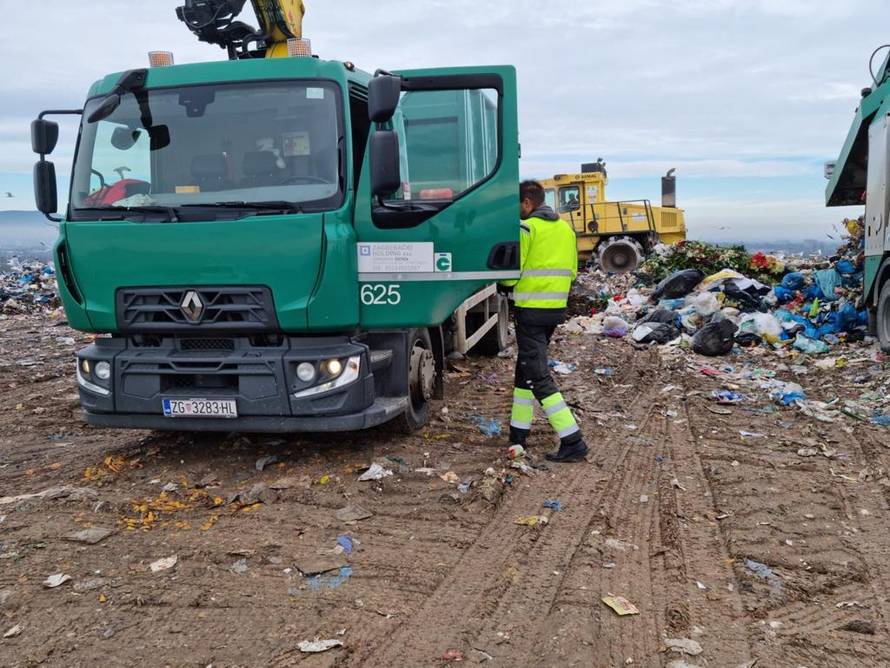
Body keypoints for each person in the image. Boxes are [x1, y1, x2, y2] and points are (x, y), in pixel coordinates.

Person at [500, 180, 589, 463]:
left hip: (530, 310)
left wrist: (501, 282)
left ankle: (572, 440)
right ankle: (518, 435)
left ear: (527, 203)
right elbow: (573, 272)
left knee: (537, 375)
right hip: (555, 310)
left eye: (517, 207)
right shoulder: (565, 229)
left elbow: (513, 274)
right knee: (525, 370)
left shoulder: (526, 228)